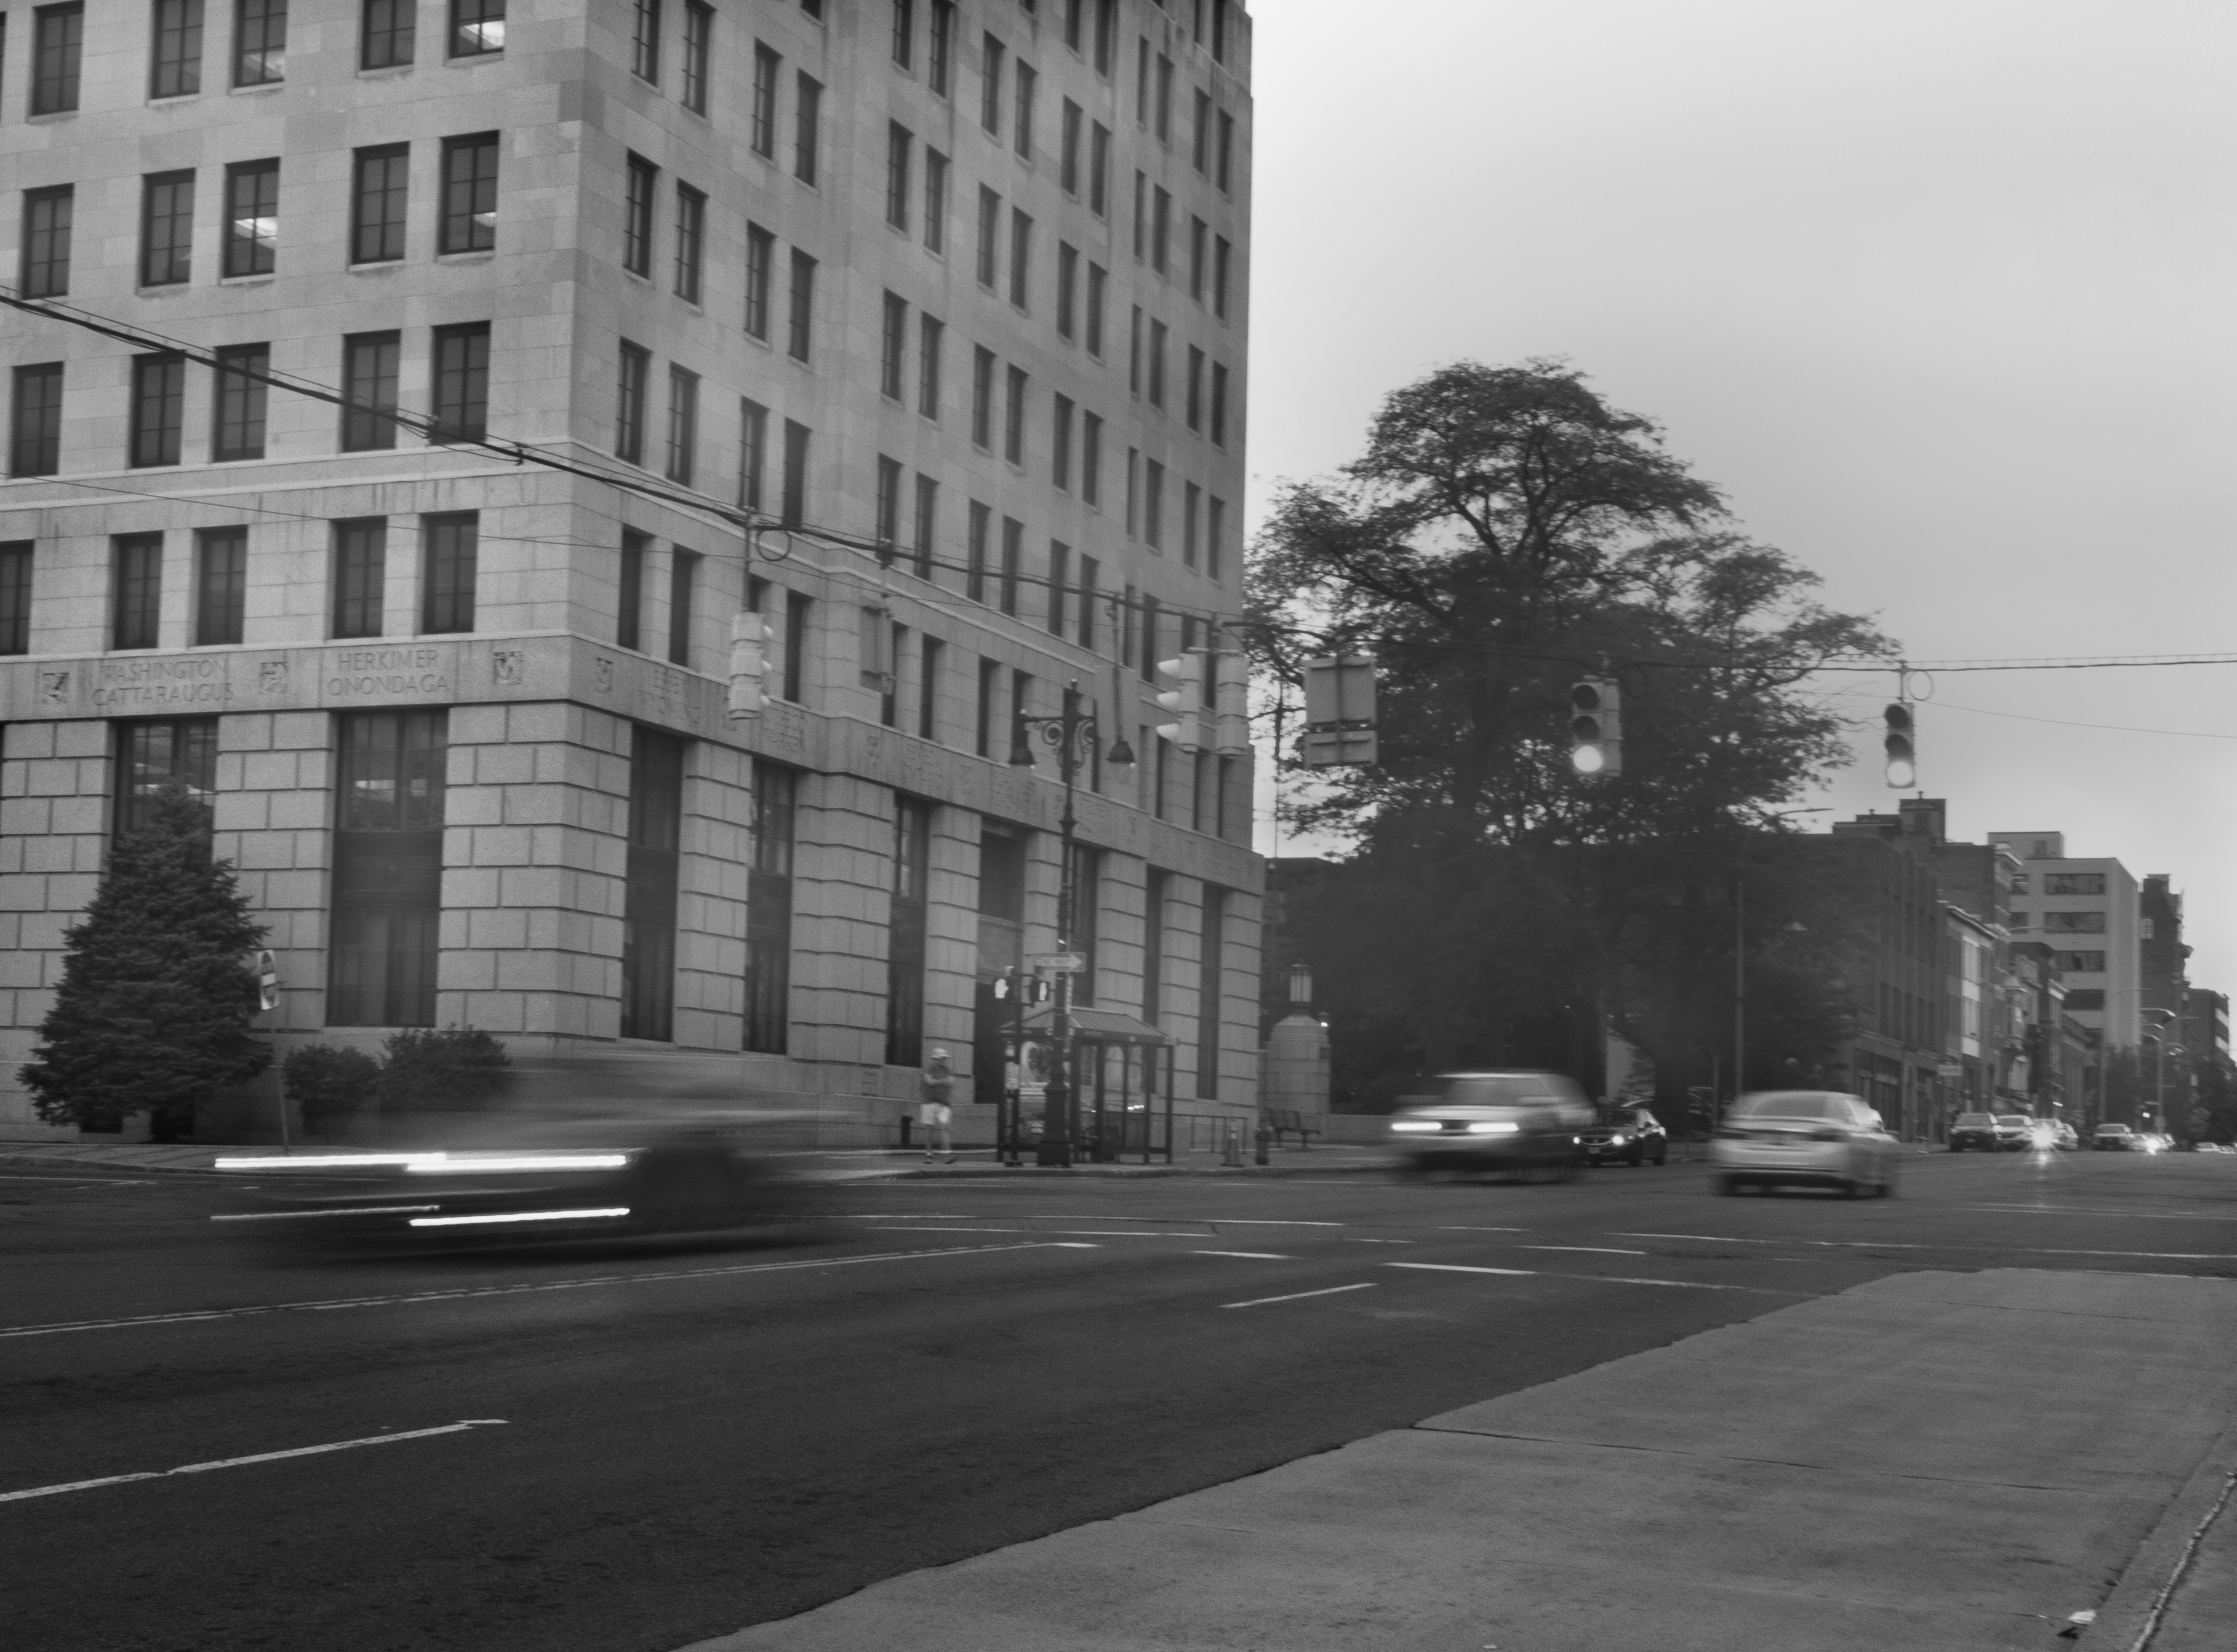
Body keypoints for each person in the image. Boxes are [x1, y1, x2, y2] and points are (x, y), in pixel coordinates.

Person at [918, 1048, 956, 1163]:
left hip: (944, 1104)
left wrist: (938, 1081)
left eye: (944, 1059)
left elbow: (952, 1082)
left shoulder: (947, 1070)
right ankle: (929, 1155)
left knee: (945, 1127)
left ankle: (947, 1154)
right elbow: (930, 1082)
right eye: (941, 1059)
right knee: (929, 1129)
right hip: (929, 1103)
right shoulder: (928, 1070)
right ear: (935, 1059)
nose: (943, 1061)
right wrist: (943, 1081)